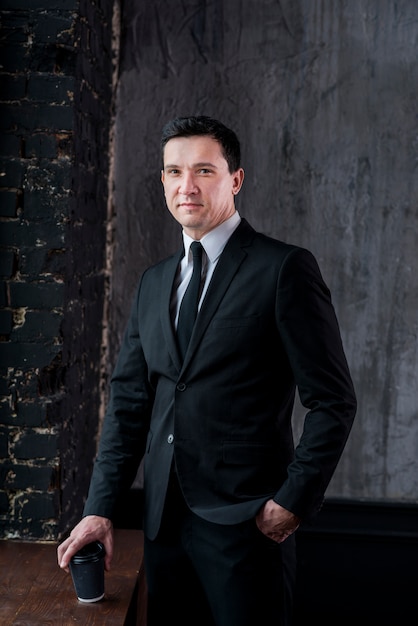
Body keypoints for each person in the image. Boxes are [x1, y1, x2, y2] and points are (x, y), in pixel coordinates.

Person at [57, 115, 357, 625]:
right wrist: (99, 508)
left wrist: (292, 501)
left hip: (248, 527)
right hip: (163, 529)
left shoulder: (283, 269)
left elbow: (333, 401)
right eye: (174, 172)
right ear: (163, 182)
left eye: (204, 171)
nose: (186, 186)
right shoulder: (154, 283)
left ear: (235, 180)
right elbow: (130, 404)